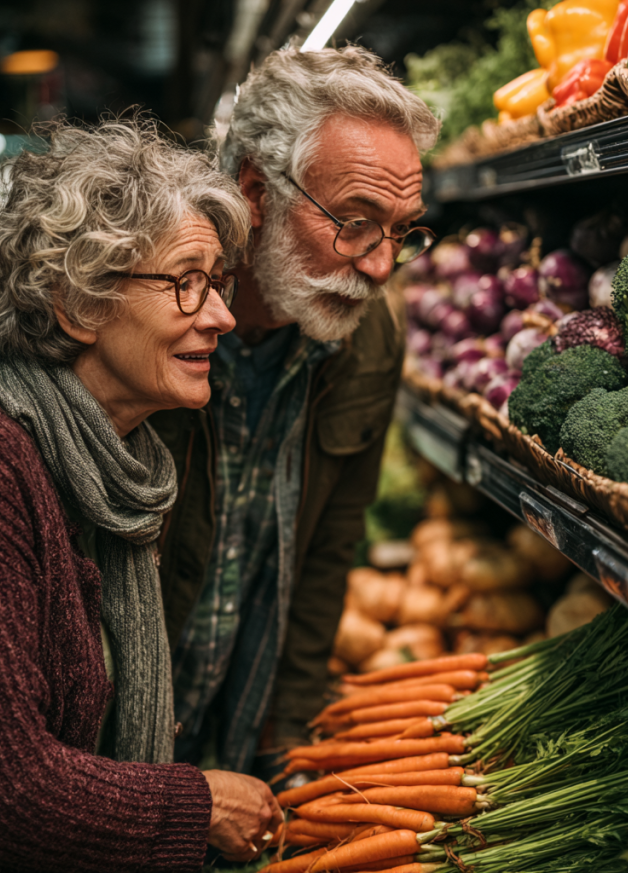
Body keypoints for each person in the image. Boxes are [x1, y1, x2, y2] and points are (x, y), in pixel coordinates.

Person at [0, 118, 281, 873]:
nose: (220, 315)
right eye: (186, 281)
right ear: (76, 301)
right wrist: (199, 803)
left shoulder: (115, 470)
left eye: (217, 282)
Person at [149, 46, 441, 775]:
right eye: (353, 222)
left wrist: (291, 721)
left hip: (240, 727)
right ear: (254, 191)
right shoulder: (145, 319)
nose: (378, 265)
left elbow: (329, 547)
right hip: (114, 747)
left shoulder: (366, 339)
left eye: (402, 232)